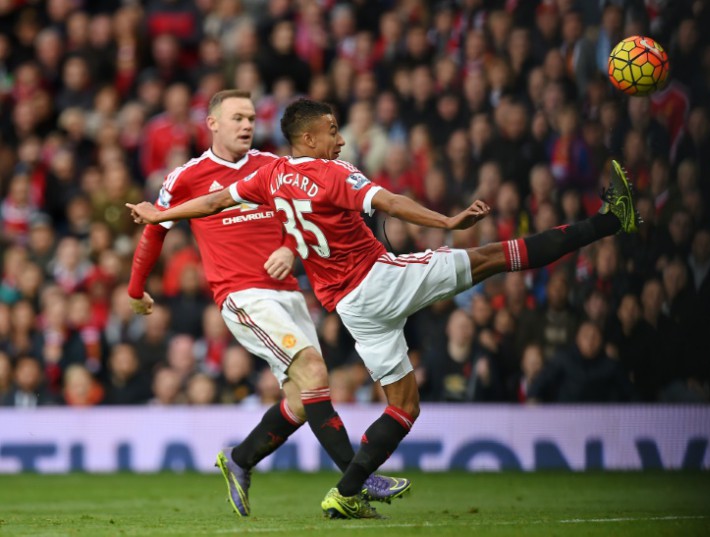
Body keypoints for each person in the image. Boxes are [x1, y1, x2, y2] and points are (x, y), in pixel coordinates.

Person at [127, 98, 641, 519]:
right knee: (490, 258)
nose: (341, 139)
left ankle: (345, 491)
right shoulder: (333, 175)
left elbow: (215, 202)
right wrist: (446, 220)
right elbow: (390, 201)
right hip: (379, 281)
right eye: (332, 131)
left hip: (352, 309)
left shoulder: (271, 176)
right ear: (309, 139)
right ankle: (609, 222)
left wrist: (161, 213)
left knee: (403, 404)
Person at [126, 91, 409, 518]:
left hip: (288, 294)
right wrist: (135, 290)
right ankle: (357, 477)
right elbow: (155, 231)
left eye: (251, 118)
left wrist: (288, 248)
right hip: (242, 295)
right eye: (236, 117)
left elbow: (304, 217)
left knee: (302, 398)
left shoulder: (274, 169)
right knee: (313, 370)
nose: (246, 125)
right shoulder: (185, 177)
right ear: (212, 124)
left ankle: (239, 459)